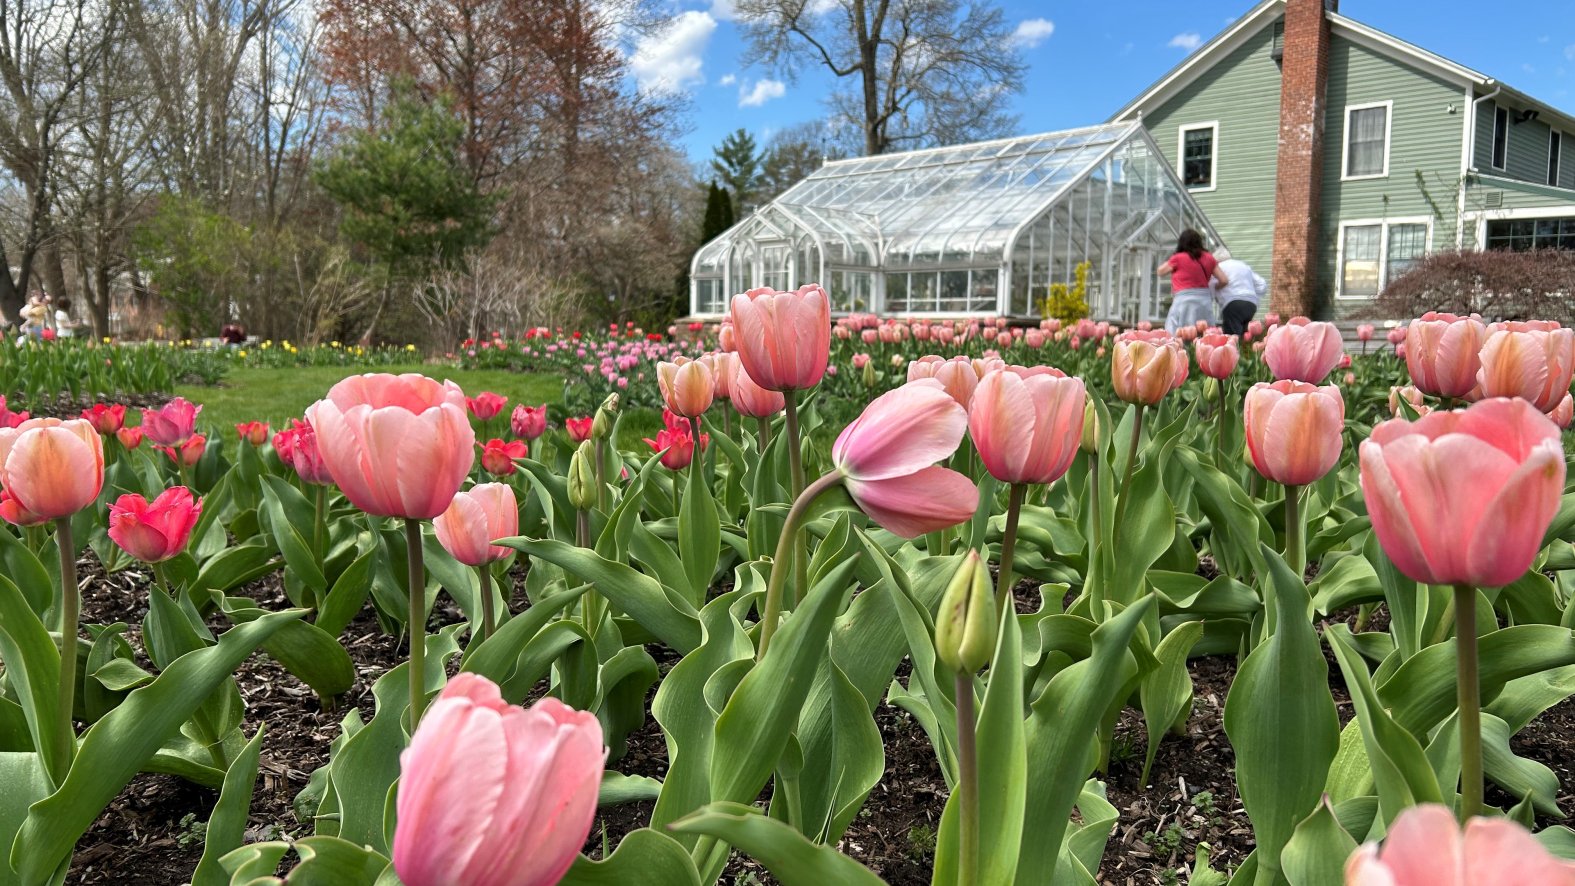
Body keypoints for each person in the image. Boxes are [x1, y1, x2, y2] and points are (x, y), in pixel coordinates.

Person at [1157, 229, 1228, 334]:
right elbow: (1224, 280)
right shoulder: (1209, 258)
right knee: (1205, 334)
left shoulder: (1178, 258)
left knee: (1177, 332)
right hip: (1204, 301)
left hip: (1183, 301)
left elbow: (1160, 272)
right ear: (1199, 242)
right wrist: (1215, 287)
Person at [1210, 249, 1266, 336]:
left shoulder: (1218, 268)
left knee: (1232, 338)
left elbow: (1211, 287)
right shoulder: (1243, 265)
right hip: (1251, 304)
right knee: (1245, 336)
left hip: (1232, 303)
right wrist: (1255, 297)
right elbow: (1262, 284)